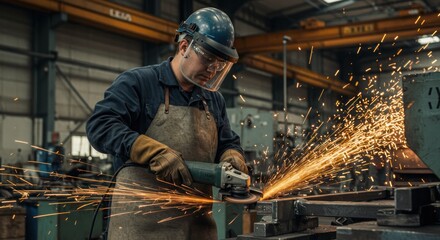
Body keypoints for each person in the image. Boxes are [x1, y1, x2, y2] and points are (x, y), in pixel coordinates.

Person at [86, 7, 248, 240]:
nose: (212, 70)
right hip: (142, 227)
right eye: (209, 60)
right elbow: (100, 126)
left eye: (219, 64)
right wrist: (150, 151)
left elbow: (226, 142)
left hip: (197, 228)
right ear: (185, 47)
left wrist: (233, 155)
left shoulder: (213, 99)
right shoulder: (139, 83)